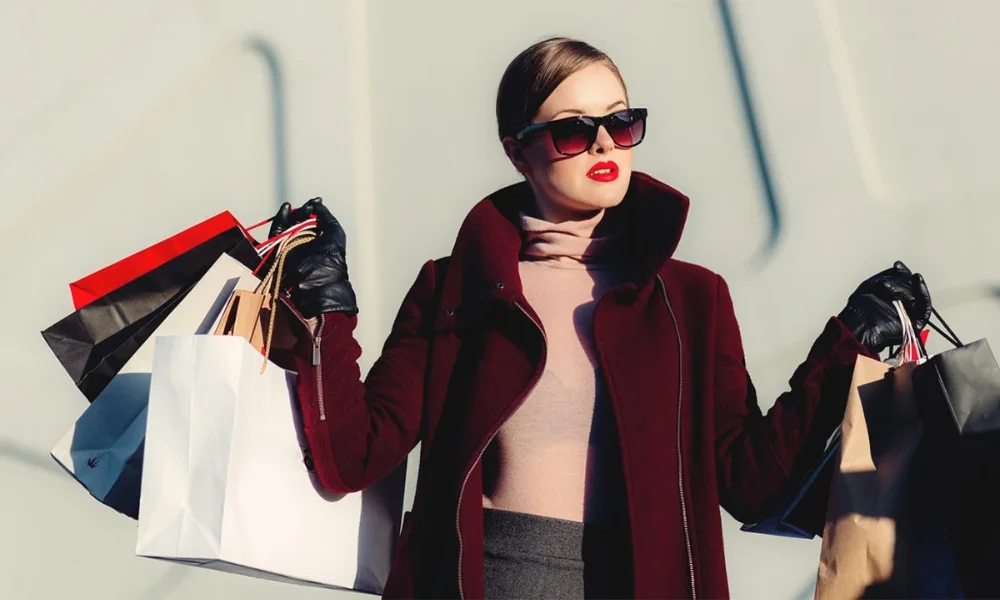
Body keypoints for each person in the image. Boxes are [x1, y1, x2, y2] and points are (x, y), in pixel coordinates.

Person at [267, 37, 933, 599]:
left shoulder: (692, 300)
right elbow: (352, 458)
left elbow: (750, 485)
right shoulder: (457, 287)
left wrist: (846, 345)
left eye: (622, 122)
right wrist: (327, 306)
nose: (603, 145)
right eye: (571, 130)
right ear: (516, 150)